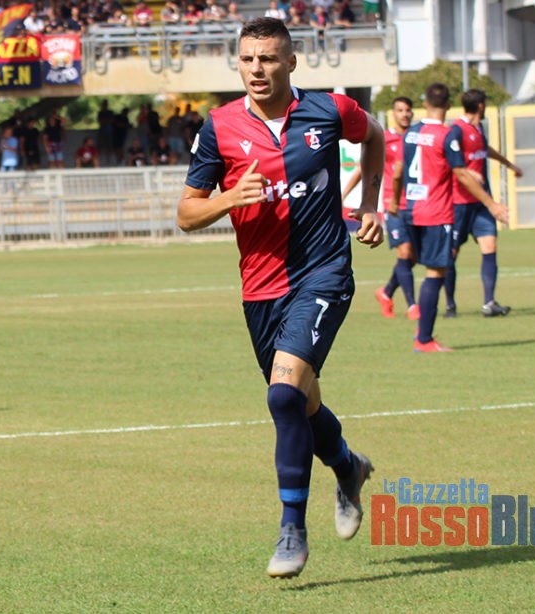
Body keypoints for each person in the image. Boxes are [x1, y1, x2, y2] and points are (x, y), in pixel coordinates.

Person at [177, 17, 383, 579]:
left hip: (324, 273)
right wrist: (228, 200)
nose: (257, 69)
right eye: (247, 59)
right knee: (299, 402)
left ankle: (292, 530)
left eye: (268, 58)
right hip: (260, 288)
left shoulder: (329, 111)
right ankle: (348, 466)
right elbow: (186, 214)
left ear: (291, 62)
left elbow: (375, 137)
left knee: (283, 393)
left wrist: (370, 203)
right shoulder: (219, 127)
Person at [397, 83, 507, 352]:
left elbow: (399, 170)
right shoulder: (446, 136)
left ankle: (423, 327)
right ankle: (424, 339)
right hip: (436, 212)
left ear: (425, 104)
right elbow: (460, 174)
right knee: (436, 271)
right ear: (448, 106)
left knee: (419, 264)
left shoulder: (411, 133)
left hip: (410, 209)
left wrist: (392, 202)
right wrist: (491, 204)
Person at [443, 88, 524, 318]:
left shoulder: (477, 129)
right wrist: (470, 173)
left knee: (490, 247)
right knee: (451, 254)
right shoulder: (456, 130)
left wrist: (508, 164)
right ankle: (450, 305)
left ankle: (489, 303)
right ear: (481, 105)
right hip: (459, 203)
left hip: (480, 203)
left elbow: (483, 150)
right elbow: (450, 163)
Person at [343, 96, 418, 320]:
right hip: (393, 206)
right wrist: (344, 194)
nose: (405, 114)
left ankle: (386, 292)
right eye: (400, 110)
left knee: (413, 257)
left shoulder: (417, 138)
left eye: (408, 110)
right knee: (405, 252)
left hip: (417, 205)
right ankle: (413, 306)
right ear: (393, 113)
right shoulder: (385, 138)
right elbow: (363, 169)